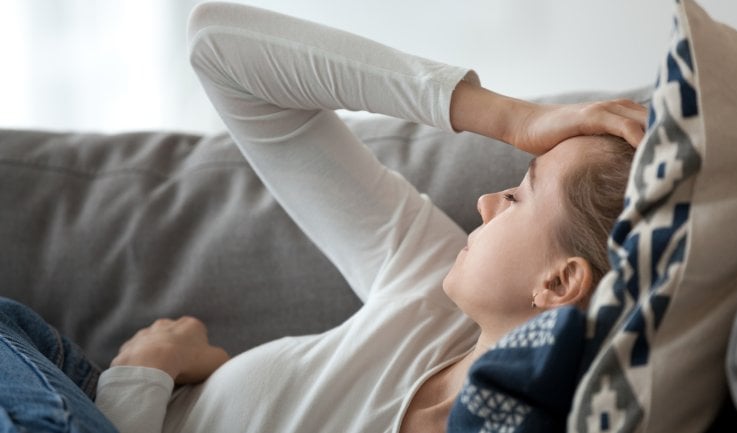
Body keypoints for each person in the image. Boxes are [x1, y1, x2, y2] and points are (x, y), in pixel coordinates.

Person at [0, 2, 646, 432]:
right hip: (55, 381)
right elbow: (219, 48)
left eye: (519, 195)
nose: (484, 201)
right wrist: (512, 118)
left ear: (558, 282)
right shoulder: (425, 283)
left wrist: (141, 377)